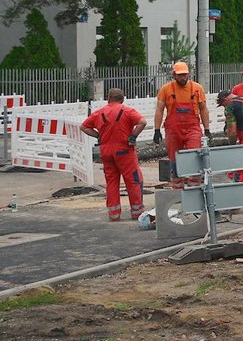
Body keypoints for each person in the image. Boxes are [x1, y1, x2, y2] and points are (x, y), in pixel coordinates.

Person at [80, 88, 146, 221]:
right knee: (133, 180)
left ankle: (114, 214)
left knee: (111, 182)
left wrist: (99, 136)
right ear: (122, 99)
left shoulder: (99, 113)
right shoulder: (127, 111)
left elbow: (84, 127)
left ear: (108, 98)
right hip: (124, 151)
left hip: (106, 151)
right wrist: (133, 136)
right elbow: (142, 122)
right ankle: (137, 212)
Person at [153, 61, 211, 189]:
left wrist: (207, 129)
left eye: (185, 75)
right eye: (180, 75)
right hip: (173, 130)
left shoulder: (197, 88)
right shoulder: (166, 89)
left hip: (192, 128)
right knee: (174, 159)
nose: (183, 77)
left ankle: (195, 188)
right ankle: (177, 190)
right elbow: (159, 109)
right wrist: (156, 130)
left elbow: (203, 109)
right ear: (174, 75)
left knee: (195, 155)